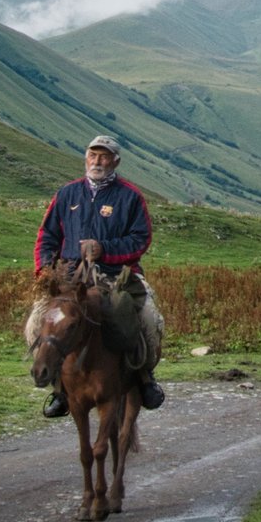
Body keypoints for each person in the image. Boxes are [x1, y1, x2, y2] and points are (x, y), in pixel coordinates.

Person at [32, 135, 166, 415]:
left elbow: (141, 239)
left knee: (147, 319)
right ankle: (58, 388)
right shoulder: (67, 194)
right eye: (93, 155)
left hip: (116, 275)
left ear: (115, 161)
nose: (97, 161)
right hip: (69, 278)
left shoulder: (130, 196)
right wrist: (45, 270)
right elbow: (47, 236)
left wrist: (104, 249)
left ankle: (145, 379)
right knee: (37, 322)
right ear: (85, 158)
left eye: (104, 156)